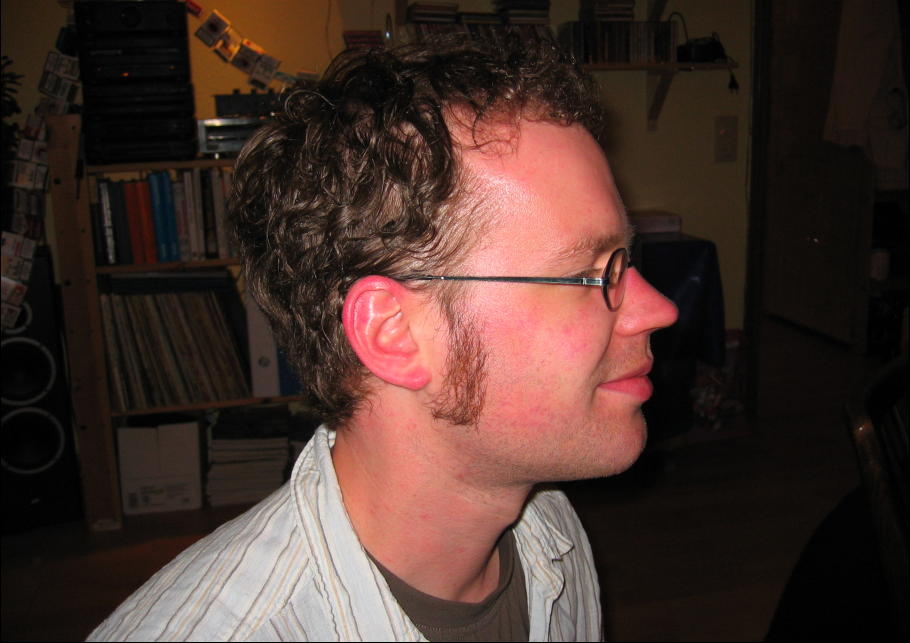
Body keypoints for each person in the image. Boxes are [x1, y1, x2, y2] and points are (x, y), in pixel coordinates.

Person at [87, 34, 677, 642]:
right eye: (591, 274)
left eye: (626, 259)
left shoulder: (548, 531)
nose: (659, 309)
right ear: (393, 334)